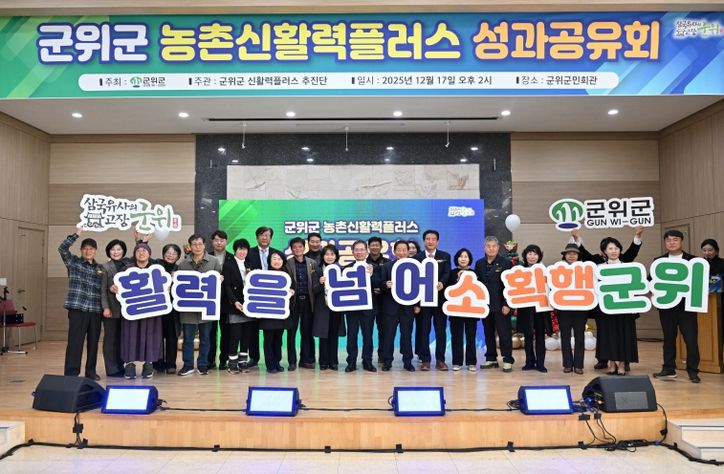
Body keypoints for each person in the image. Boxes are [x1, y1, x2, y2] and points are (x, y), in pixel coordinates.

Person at [573, 227, 643, 376]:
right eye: (610, 248)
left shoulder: (625, 262)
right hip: (605, 307)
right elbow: (585, 255)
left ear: (620, 250)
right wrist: (577, 239)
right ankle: (611, 363)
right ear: (604, 251)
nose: (613, 251)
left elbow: (633, 251)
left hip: (624, 307)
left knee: (624, 334)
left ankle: (622, 364)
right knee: (607, 334)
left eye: (616, 248)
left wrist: (637, 235)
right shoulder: (598, 264)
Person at [653, 230, 701, 383]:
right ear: (665, 243)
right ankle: (668, 368)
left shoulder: (693, 261)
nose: (671, 242)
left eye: (675, 239)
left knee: (691, 340)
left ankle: (693, 371)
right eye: (668, 240)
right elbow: (651, 280)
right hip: (666, 308)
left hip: (687, 308)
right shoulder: (658, 261)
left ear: (682, 241)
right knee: (668, 339)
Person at [58, 228, 104, 380]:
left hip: (95, 310)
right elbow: (62, 249)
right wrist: (76, 234)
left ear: (95, 251)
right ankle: (71, 373)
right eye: (85, 249)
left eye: (91, 249)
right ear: (81, 250)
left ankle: (91, 372)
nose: (88, 251)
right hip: (78, 308)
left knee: (93, 343)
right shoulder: (73, 262)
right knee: (75, 342)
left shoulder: (100, 269)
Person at [177, 234, 223, 377]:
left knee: (205, 338)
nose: (197, 247)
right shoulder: (183, 264)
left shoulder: (214, 261)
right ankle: (188, 364)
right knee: (187, 339)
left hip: (206, 306)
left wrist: (220, 279)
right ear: (190, 246)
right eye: (194, 244)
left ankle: (203, 364)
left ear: (204, 245)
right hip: (188, 307)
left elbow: (218, 281)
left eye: (200, 244)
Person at [118, 242, 164, 379]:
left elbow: (165, 286)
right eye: (138, 251)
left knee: (150, 335)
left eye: (144, 250)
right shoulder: (127, 269)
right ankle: (129, 364)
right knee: (130, 335)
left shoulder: (156, 269)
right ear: (134, 254)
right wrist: (115, 288)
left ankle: (148, 364)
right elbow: (118, 285)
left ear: (149, 254)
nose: (141, 253)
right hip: (132, 309)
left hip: (152, 310)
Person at [375, 240, 416, 372]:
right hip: (390, 307)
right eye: (399, 250)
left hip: (407, 308)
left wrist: (417, 304)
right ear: (394, 252)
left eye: (404, 250)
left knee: (407, 335)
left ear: (408, 252)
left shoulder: (414, 266)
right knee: (388, 335)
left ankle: (408, 361)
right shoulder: (387, 266)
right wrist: (385, 285)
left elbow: (419, 287)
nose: (401, 252)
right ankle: (387, 361)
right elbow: (380, 284)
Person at [474, 236, 514, 372]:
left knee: (504, 333)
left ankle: (507, 359)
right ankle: (491, 358)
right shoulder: (479, 263)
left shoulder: (506, 263)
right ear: (484, 248)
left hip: (501, 305)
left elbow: (510, 285)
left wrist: (507, 304)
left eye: (493, 246)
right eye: (488, 246)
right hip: (485, 305)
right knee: (488, 332)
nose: (491, 249)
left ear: (498, 248)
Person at [414, 229, 452, 371]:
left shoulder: (445, 256)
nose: (430, 241)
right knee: (423, 330)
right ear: (424, 241)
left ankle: (440, 360)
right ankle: (425, 360)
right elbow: (414, 280)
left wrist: (442, 283)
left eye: (433, 239)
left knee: (440, 330)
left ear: (437, 241)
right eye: (428, 239)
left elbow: (447, 273)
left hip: (440, 300)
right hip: (423, 301)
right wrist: (416, 303)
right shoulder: (417, 258)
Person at [246, 226, 280, 368]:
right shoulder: (249, 253)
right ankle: (254, 358)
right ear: (257, 237)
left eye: (267, 235)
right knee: (253, 330)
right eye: (262, 235)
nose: (264, 238)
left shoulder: (277, 254)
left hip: (272, 299)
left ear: (271, 238)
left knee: (273, 332)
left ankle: (274, 360)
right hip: (255, 298)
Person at [517, 244, 552, 373]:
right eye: (530, 254)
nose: (532, 257)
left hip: (541, 309)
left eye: (535, 254)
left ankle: (541, 363)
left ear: (539, 256)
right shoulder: (520, 271)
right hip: (526, 308)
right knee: (528, 336)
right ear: (525, 255)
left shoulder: (545, 270)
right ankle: (529, 362)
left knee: (540, 336)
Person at [259, 250, 296, 373]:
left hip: (281, 313)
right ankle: (270, 365)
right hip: (268, 313)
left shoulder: (287, 276)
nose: (276, 261)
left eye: (279, 259)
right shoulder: (264, 275)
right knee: (268, 339)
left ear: (283, 261)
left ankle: (277, 362)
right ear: (269, 261)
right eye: (274, 258)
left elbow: (293, 288)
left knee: (278, 340)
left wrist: (292, 292)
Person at [312, 244, 346, 370]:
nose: (329, 257)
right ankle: (323, 362)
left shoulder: (341, 271)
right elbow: (314, 290)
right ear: (322, 256)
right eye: (327, 254)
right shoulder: (317, 271)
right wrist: (320, 283)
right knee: (323, 335)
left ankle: (333, 361)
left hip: (336, 308)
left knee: (334, 334)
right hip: (322, 308)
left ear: (336, 256)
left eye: (332, 254)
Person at [285, 237, 318, 370]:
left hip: (308, 302)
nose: (297, 249)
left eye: (300, 246)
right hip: (293, 302)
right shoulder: (287, 263)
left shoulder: (312, 263)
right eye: (294, 247)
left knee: (307, 332)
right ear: (291, 249)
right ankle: (292, 361)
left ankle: (306, 359)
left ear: (304, 248)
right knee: (291, 333)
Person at [345, 240, 377, 372]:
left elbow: (379, 285)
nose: (359, 252)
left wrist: (372, 275)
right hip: (352, 308)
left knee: (368, 336)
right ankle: (351, 362)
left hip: (368, 309)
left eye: (362, 249)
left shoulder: (373, 267)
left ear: (366, 252)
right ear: (352, 252)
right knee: (351, 336)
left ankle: (367, 361)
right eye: (356, 250)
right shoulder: (346, 269)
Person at [556, 243, 588, 375]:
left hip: (581, 308)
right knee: (565, 336)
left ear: (578, 256)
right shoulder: (558, 269)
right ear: (564, 255)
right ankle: (567, 364)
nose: (571, 256)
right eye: (569, 253)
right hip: (563, 308)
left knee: (580, 336)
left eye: (574, 253)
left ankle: (579, 365)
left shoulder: (585, 269)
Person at [223, 238, 253, 373]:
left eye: (245, 249)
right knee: (235, 335)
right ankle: (232, 363)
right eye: (240, 249)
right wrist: (234, 301)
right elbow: (227, 286)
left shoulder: (249, 264)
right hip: (234, 305)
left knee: (246, 335)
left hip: (249, 305)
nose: (242, 252)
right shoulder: (228, 265)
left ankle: (242, 361)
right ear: (235, 250)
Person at [99, 239, 128, 378]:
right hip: (111, 309)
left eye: (119, 249)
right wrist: (105, 307)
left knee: (122, 339)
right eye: (113, 249)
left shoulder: (128, 265)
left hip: (127, 310)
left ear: (123, 251)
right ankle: (111, 369)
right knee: (110, 339)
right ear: (108, 251)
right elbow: (102, 290)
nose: (116, 252)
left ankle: (120, 365)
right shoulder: (104, 267)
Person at [447, 248, 479, 372]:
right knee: (456, 337)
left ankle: (471, 362)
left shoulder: (474, 273)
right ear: (457, 259)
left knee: (471, 337)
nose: (463, 259)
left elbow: (479, 290)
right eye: (461, 256)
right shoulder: (451, 273)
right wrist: (458, 279)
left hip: (471, 311)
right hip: (455, 310)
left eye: (466, 256)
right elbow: (448, 291)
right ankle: (457, 362)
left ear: (470, 259)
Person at [208, 230, 234, 370]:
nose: (219, 243)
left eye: (222, 240)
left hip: (226, 301)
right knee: (210, 332)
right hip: (209, 300)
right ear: (212, 241)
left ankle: (224, 360)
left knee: (226, 332)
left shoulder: (232, 257)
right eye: (216, 240)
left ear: (226, 241)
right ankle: (210, 360)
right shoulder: (206, 256)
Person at [158, 243, 182, 374]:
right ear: (163, 254)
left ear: (178, 256)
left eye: (174, 253)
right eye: (168, 253)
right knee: (157, 336)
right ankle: (158, 363)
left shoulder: (179, 269)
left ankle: (171, 364)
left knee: (172, 336)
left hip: (173, 309)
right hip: (158, 307)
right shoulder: (156, 266)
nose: (170, 255)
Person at [367, 236, 389, 364]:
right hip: (368, 302)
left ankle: (383, 356)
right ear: (368, 247)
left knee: (384, 330)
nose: (375, 247)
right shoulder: (363, 262)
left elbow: (391, 280)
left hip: (384, 301)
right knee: (368, 332)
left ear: (381, 247)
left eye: (377, 245)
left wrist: (382, 288)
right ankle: (367, 358)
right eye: (372, 245)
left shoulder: (388, 262)